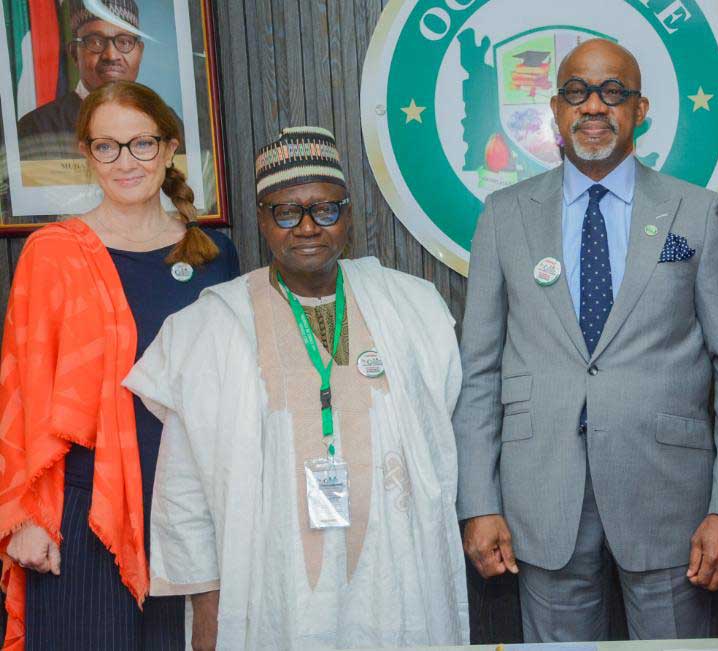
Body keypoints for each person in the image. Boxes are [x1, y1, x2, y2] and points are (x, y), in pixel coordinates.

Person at [454, 38, 718, 642]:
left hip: (670, 502)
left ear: (639, 109)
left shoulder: (696, 213)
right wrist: (479, 502)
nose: (593, 106)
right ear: (555, 109)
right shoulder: (504, 215)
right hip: (541, 498)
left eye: (612, 92)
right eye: (577, 92)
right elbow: (480, 372)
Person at [123, 126, 468, 650]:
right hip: (271, 585)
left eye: (324, 209)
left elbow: (442, 441)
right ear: (262, 219)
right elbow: (183, 483)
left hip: (396, 579)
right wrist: (207, 602)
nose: (307, 227)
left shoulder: (411, 308)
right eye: (287, 212)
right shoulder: (210, 328)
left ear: (348, 215)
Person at [0, 80, 239, 650]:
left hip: (192, 509)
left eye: (142, 144)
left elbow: (234, 385)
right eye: (107, 146)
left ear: (170, 147)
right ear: (87, 153)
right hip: (82, 511)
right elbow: (21, 391)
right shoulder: (52, 253)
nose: (125, 162)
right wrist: (25, 516)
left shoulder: (215, 256)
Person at [17, 0, 147, 161]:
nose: (111, 55)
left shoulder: (164, 120)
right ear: (74, 53)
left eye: (125, 42)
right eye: (95, 42)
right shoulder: (37, 128)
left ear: (140, 52)